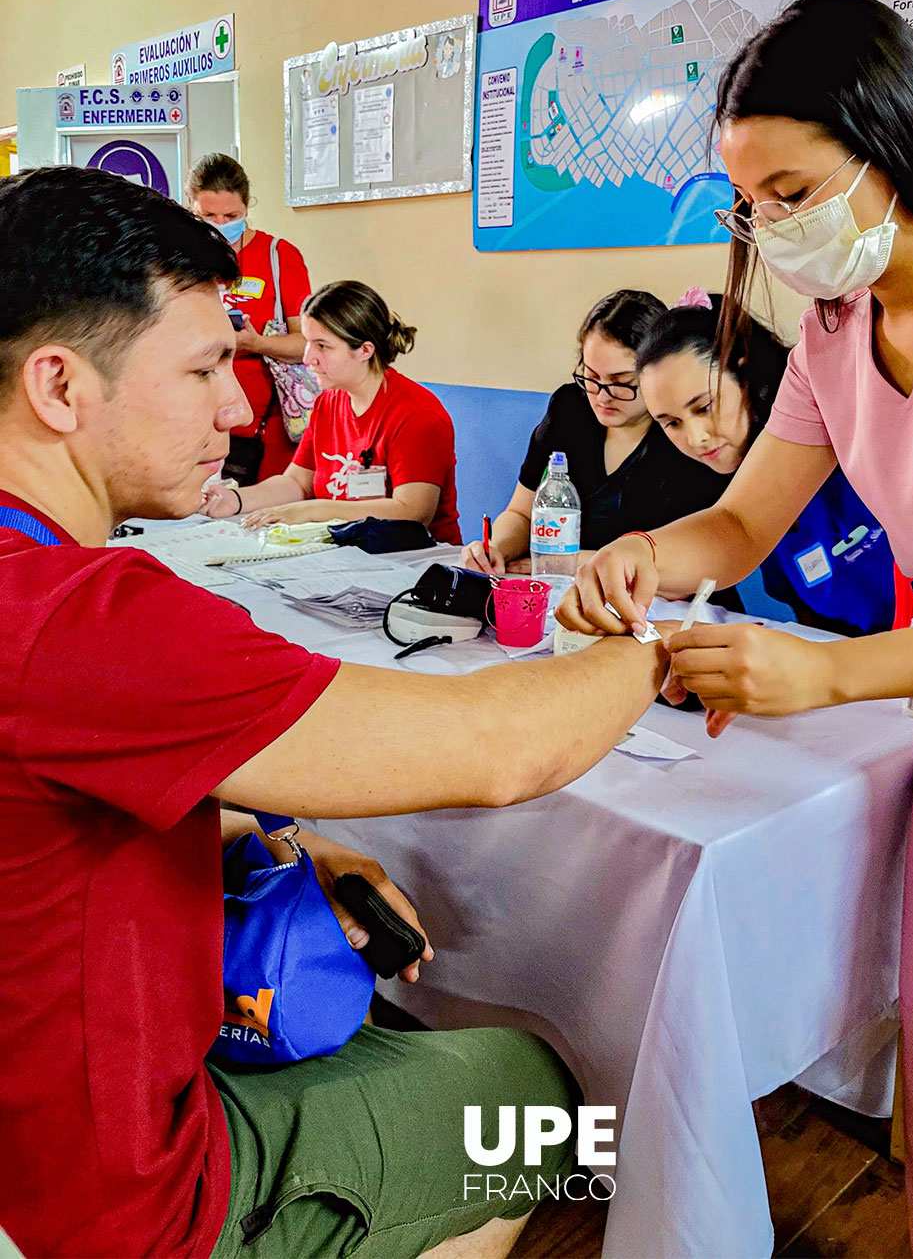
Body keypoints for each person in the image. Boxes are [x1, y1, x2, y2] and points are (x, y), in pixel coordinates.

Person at [0, 166, 673, 1259]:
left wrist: (282, 841)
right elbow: (503, 746)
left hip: (45, 1123)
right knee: (536, 1096)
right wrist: (656, 645)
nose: (237, 404)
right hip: (122, 1201)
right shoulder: (87, 622)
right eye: (209, 366)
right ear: (62, 387)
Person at [558, 0, 913, 1258]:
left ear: (888, 143)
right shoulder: (839, 334)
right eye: (752, 205)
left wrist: (834, 671)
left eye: (793, 192)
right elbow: (738, 528)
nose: (771, 229)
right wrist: (634, 552)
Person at [636, 292, 898, 635]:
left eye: (704, 407)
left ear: (744, 371)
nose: (696, 437)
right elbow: (817, 627)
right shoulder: (725, 491)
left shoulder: (851, 440)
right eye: (672, 423)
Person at [461, 289, 724, 575]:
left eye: (620, 382)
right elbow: (522, 513)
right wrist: (497, 548)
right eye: (591, 377)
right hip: (569, 587)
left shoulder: (684, 436)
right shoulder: (570, 408)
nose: (601, 396)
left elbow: (691, 560)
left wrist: (570, 562)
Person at [204, 280, 461, 544]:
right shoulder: (328, 402)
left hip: (416, 560)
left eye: (322, 346)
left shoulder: (418, 415)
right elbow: (297, 483)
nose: (307, 358)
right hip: (346, 551)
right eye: (307, 342)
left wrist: (316, 510)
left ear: (365, 350)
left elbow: (413, 512)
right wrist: (234, 500)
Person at [187, 153, 312, 482]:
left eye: (231, 215)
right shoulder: (178, 261)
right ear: (191, 210)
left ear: (247, 207)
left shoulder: (278, 256)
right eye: (208, 215)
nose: (220, 223)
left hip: (265, 426)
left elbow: (306, 345)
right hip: (196, 419)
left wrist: (257, 342)